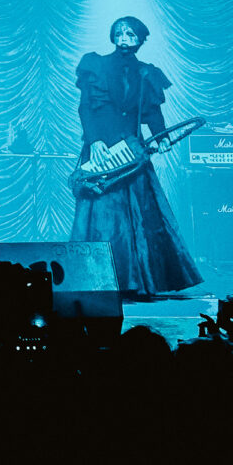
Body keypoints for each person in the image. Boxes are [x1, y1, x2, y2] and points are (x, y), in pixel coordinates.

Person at [70, 16, 201, 298]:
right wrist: (95, 141)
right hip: (102, 150)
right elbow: (86, 108)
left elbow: (152, 112)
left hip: (133, 152)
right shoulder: (96, 66)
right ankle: (100, 280)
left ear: (141, 39)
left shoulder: (146, 73)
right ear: (112, 37)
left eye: (130, 34)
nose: (124, 39)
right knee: (104, 216)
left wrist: (162, 137)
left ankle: (137, 282)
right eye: (119, 33)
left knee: (140, 216)